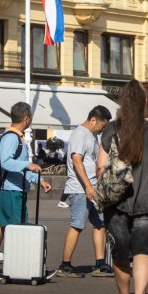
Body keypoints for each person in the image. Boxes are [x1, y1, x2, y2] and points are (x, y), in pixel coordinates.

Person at [97, 81, 148, 294]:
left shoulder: (111, 130)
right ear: (144, 104)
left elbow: (100, 167)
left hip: (117, 203)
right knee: (142, 250)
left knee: (120, 252)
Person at [0, 102, 52, 280]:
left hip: (7, 190)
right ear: (26, 119)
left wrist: (39, 181)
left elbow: (18, 168)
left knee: (1, 229)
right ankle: (20, 269)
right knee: (17, 230)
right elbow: (6, 162)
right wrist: (29, 164)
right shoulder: (12, 138)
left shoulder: (11, 137)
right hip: (12, 192)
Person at [55, 105, 113, 279]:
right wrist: (88, 185)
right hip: (80, 188)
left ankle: (100, 264)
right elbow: (76, 161)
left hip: (91, 188)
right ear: (93, 120)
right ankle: (64, 265)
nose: (103, 129)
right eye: (102, 125)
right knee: (77, 224)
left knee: (100, 224)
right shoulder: (80, 134)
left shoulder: (92, 136)